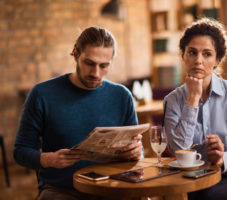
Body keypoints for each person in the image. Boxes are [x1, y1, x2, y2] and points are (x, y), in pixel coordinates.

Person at [14, 27, 142, 200]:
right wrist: (49, 159)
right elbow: (20, 151)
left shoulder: (122, 96)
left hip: (113, 187)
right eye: (89, 63)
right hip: (62, 190)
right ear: (75, 54)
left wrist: (136, 152)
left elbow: (137, 153)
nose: (96, 73)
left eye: (104, 66)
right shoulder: (42, 94)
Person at [163, 18, 227, 200]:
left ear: (217, 60)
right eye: (192, 52)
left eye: (207, 54)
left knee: (207, 196)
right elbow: (178, 149)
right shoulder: (172, 100)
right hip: (193, 178)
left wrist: (221, 158)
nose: (198, 61)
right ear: (183, 56)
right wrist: (192, 99)